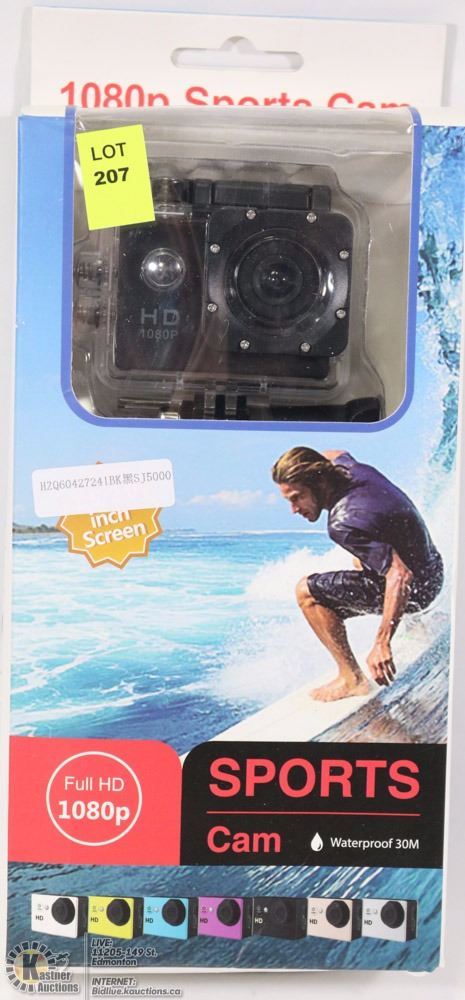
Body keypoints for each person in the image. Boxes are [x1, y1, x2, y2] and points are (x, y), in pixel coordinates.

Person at [272, 447, 443, 702]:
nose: (294, 509)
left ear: (319, 481)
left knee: (306, 592)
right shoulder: (348, 468)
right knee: (363, 554)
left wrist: (382, 642)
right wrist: (302, 463)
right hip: (433, 570)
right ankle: (418, 623)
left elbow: (399, 575)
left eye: (297, 497)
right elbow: (335, 452)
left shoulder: (343, 524)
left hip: (418, 591)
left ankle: (351, 679)